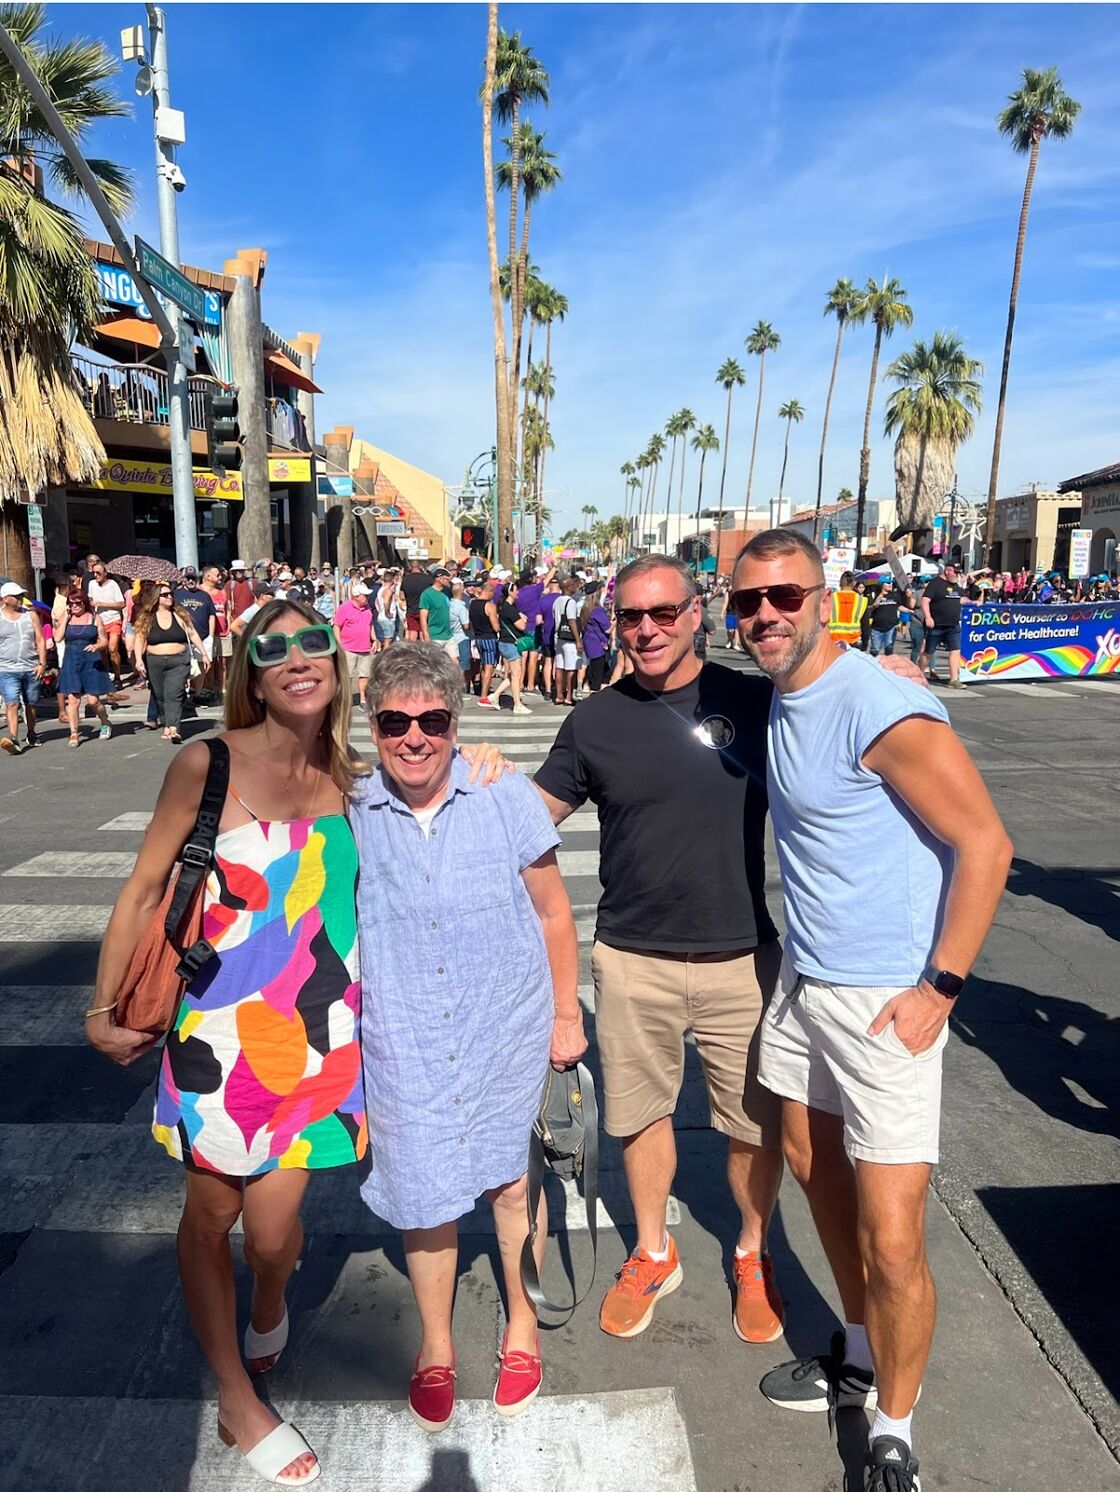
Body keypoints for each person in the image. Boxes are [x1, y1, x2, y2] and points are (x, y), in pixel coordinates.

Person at [731, 529, 1012, 1492]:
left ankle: (894, 1428)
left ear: (825, 595)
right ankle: (856, 1351)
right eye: (747, 602)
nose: (765, 615)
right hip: (807, 984)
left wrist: (940, 987)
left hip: (888, 997)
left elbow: (986, 844)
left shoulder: (878, 702)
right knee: (811, 1165)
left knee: (894, 1236)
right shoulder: (788, 689)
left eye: (784, 596)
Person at [88, 598, 372, 1487]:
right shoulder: (205, 763)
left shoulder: (353, 770)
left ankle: (273, 1298)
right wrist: (105, 1009)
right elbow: (142, 891)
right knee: (214, 1217)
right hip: (217, 1037)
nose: (295, 657)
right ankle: (236, 1399)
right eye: (271, 647)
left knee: (275, 1233)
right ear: (249, 670)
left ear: (337, 657)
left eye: (311, 641)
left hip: (323, 1042)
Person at [534, 555, 786, 1347]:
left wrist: (886, 675)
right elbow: (530, 817)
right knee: (641, 1119)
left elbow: (850, 742)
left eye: (663, 614)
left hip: (741, 957)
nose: (646, 630)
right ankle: (653, 1250)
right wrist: (460, 781)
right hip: (633, 957)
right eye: (631, 617)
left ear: (698, 612)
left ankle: (751, 1252)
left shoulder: (757, 699)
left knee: (754, 1125)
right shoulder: (596, 720)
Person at [352, 644, 585, 1431]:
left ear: (456, 723)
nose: (413, 738)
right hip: (403, 1035)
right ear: (372, 723)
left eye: (433, 720)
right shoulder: (350, 805)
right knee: (423, 1196)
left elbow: (554, 912)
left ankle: (522, 1323)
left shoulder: (502, 792)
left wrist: (565, 1015)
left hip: (504, 1026)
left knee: (513, 1184)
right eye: (395, 721)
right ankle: (438, 1344)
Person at [134, 586, 207, 744]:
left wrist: (204, 653)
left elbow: (192, 633)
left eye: (170, 594)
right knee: (160, 695)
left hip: (178, 660)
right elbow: (139, 638)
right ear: (156, 599)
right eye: (164, 595)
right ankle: (166, 723)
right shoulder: (148, 617)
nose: (169, 597)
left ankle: (174, 728)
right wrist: (138, 660)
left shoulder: (179, 615)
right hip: (155, 661)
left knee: (174, 694)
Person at [56, 590, 113, 746]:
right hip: (71, 661)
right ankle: (74, 733)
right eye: (71, 603)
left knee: (94, 700)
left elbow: (104, 641)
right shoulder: (66, 618)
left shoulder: (95, 618)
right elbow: (57, 637)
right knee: (73, 700)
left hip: (90, 661)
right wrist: (66, 618)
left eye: (78, 603)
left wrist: (96, 646)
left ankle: (105, 721)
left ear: (84, 603)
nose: (74, 606)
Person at [0, 582, 47, 754]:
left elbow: (40, 640)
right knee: (11, 702)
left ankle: (31, 732)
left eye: (21, 595)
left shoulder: (31, 615)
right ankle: (13, 737)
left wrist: (42, 663)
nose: (20, 599)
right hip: (6, 668)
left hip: (31, 667)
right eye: (16, 596)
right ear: (5, 598)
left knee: (31, 703)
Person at [85, 555, 127, 688]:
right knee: (102, 651)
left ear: (105, 573)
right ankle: (106, 676)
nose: (96, 576)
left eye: (98, 573)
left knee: (113, 648)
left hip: (113, 619)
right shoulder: (92, 584)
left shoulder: (113, 585)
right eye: (94, 573)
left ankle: (118, 676)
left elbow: (121, 604)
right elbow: (90, 600)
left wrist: (103, 603)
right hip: (99, 621)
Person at [332, 582, 375, 706]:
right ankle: (345, 699)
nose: (367, 598)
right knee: (347, 676)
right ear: (356, 596)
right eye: (364, 595)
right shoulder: (345, 608)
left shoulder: (367, 609)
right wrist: (339, 644)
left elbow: (370, 624)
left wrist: (374, 639)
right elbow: (337, 626)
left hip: (364, 648)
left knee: (365, 675)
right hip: (348, 648)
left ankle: (363, 699)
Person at [922, 563, 964, 687]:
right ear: (947, 571)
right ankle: (918, 674)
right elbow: (925, 600)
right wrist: (928, 617)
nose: (957, 575)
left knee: (955, 650)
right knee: (928, 652)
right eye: (955, 572)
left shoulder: (955, 585)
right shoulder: (935, 584)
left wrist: (973, 602)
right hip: (937, 624)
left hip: (953, 625)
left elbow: (961, 599)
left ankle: (954, 679)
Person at [551, 577, 583, 707]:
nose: (575, 586)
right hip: (569, 639)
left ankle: (559, 695)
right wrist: (578, 640)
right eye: (573, 584)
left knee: (560, 666)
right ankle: (569, 696)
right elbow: (571, 621)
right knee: (571, 668)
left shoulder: (556, 601)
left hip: (558, 637)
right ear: (568, 587)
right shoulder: (571, 602)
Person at [469, 578, 500, 707]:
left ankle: (483, 689)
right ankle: (483, 696)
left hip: (478, 637)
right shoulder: (490, 606)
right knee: (489, 667)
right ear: (490, 592)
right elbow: (495, 626)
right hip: (489, 638)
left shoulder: (472, 604)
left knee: (483, 665)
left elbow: (470, 623)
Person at [201, 566, 230, 697]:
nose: (220, 577)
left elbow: (227, 610)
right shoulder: (199, 591)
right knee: (209, 663)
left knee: (223, 663)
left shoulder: (222, 592)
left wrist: (228, 627)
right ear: (208, 577)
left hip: (223, 632)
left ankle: (223, 689)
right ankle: (210, 688)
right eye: (217, 575)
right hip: (207, 634)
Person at [579, 581, 612, 692]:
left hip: (589, 645)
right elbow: (607, 629)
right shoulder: (597, 610)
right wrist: (616, 621)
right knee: (598, 678)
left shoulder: (585, 609)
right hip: (599, 647)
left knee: (595, 673)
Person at [419, 569, 458, 661]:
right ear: (440, 579)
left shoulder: (446, 593)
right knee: (435, 663)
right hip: (435, 635)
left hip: (448, 635)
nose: (449, 582)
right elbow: (423, 617)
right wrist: (426, 634)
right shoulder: (427, 594)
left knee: (455, 662)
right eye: (447, 579)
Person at [828, 571, 868, 647]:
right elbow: (865, 625)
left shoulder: (830, 598)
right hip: (853, 642)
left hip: (833, 642)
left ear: (840, 583)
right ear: (854, 584)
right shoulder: (862, 600)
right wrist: (864, 644)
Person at [448, 579, 472, 693]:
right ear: (461, 592)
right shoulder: (461, 607)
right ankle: (460, 688)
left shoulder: (448, 604)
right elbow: (466, 625)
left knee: (452, 662)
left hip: (450, 637)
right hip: (461, 637)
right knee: (463, 663)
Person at [868, 582, 904, 658]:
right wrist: (880, 597)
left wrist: (910, 611)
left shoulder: (894, 595)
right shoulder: (874, 595)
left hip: (891, 626)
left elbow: (899, 606)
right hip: (877, 628)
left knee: (889, 649)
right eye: (887, 583)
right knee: (875, 650)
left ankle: (888, 667)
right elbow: (870, 607)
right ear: (882, 585)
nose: (890, 584)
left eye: (890, 583)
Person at [401, 559, 429, 639]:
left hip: (411, 609)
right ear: (420, 566)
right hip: (424, 609)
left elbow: (402, 596)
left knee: (412, 634)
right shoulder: (427, 579)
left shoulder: (405, 579)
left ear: (410, 567)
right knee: (423, 632)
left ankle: (411, 651)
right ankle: (424, 650)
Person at [374, 571, 400, 650]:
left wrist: (380, 611)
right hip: (387, 618)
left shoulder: (381, 589)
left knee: (387, 639)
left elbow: (376, 602)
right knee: (388, 641)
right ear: (392, 580)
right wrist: (387, 612)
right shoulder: (388, 591)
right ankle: (385, 658)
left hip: (381, 616)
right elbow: (386, 602)